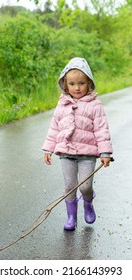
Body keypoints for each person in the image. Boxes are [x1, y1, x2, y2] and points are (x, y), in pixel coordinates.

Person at [42, 57, 113, 231]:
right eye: (72, 84)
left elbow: (101, 130)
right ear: (65, 85)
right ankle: (71, 218)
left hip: (87, 155)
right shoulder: (62, 105)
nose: (77, 87)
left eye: (81, 83)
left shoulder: (95, 106)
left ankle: (88, 201)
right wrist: (48, 149)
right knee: (69, 186)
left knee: (85, 186)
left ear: (89, 83)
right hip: (66, 153)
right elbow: (54, 128)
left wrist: (105, 153)